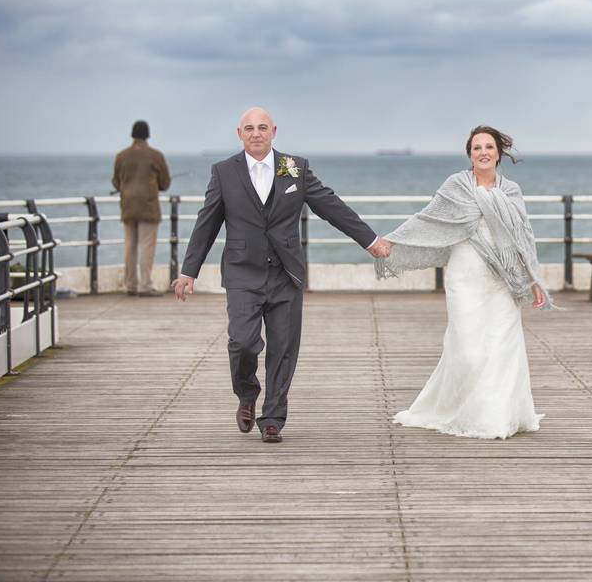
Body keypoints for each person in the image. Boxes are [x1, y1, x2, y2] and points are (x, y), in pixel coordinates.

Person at [171, 107, 392, 443]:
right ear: (239, 133)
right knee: (242, 342)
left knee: (283, 348)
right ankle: (247, 393)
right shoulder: (224, 172)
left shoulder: (295, 168)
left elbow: (330, 206)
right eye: (249, 128)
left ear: (274, 131)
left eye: (262, 127)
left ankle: (272, 417)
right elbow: (207, 222)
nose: (256, 133)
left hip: (286, 274)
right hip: (243, 273)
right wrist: (189, 271)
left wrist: (370, 239)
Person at [375, 126, 551, 440]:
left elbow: (523, 237)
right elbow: (428, 219)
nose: (483, 152)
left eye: (489, 147)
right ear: (469, 154)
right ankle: (457, 409)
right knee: (468, 349)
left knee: (502, 347)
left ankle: (496, 417)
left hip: (502, 280)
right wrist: (394, 240)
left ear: (499, 153)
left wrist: (534, 279)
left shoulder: (511, 191)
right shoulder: (456, 186)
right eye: (477, 148)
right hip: (465, 276)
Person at [112, 120, 171, 297]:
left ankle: (130, 285)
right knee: (146, 246)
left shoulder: (121, 156)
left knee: (130, 246)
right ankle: (145, 286)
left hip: (128, 207)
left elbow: (116, 181)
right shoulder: (155, 155)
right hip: (148, 208)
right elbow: (165, 182)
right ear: (147, 135)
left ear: (132, 134)